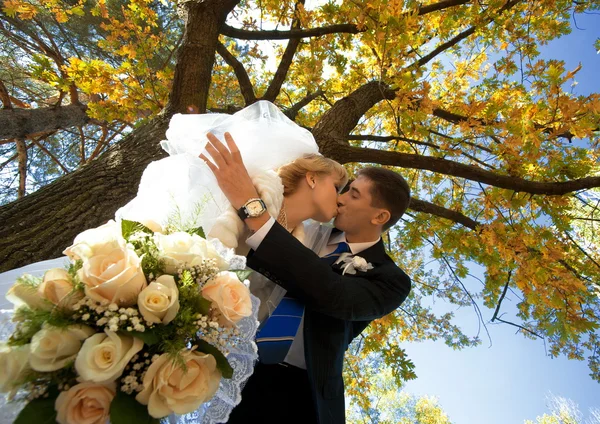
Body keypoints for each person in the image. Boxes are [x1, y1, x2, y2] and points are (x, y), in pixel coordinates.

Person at [201, 133, 412, 424]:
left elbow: (332, 293)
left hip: (299, 394)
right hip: (235, 365)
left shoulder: (392, 281)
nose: (340, 199)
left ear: (379, 217)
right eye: (343, 189)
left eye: (354, 194)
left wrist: (251, 206)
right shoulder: (301, 225)